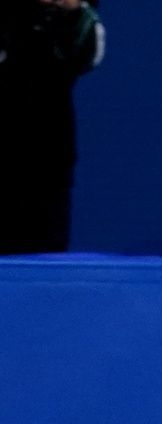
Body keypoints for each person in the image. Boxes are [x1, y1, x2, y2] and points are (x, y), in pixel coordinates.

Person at [0, 0, 103, 254]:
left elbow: (85, 53)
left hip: (44, 163)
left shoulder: (74, 18)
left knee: (37, 265)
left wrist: (70, 11)